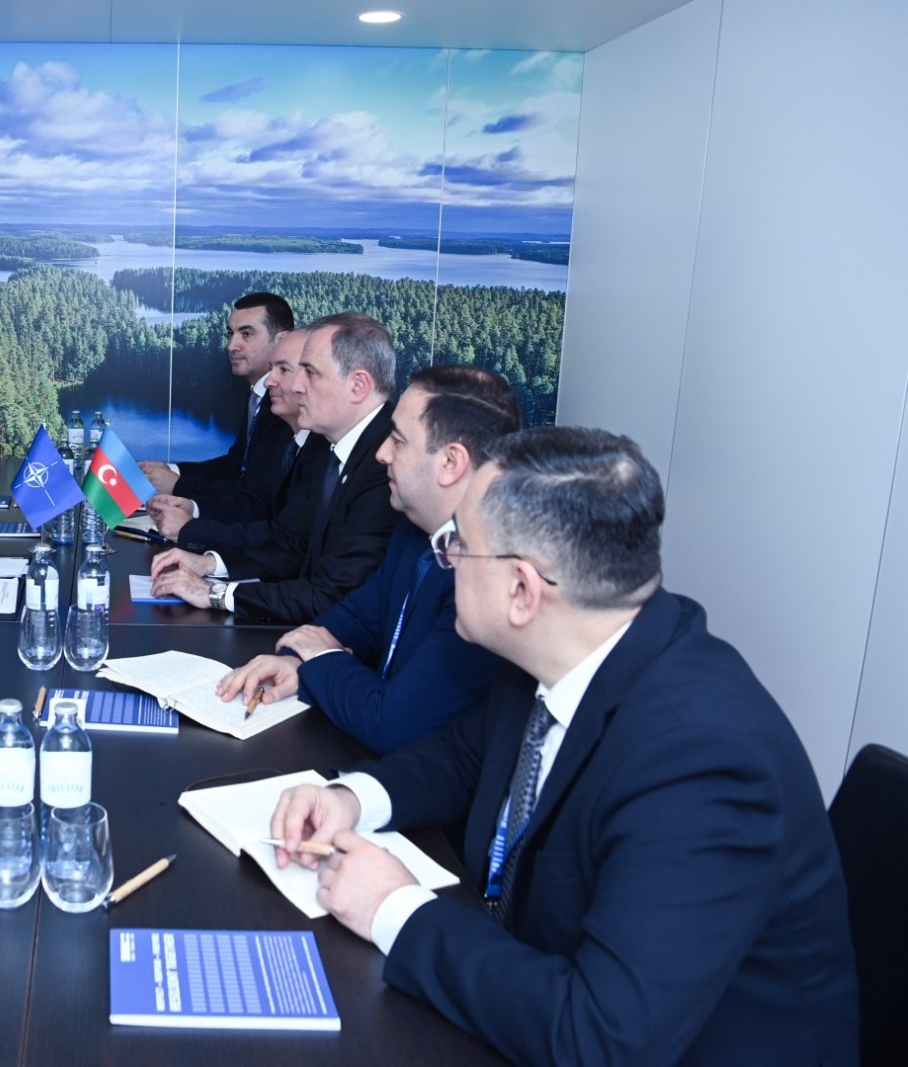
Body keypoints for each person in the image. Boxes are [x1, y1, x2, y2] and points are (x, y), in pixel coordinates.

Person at [270, 427, 858, 1065]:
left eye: (459, 544)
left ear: (522, 591)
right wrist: (353, 798)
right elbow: (465, 756)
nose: (447, 559)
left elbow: (602, 1038)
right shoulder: (572, 641)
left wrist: (394, 908)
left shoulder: (701, 759)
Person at [219, 365, 520, 754]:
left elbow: (392, 724)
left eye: (398, 441)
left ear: (450, 463)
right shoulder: (415, 531)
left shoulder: (484, 573)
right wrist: (297, 662)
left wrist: (322, 660)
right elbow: (359, 617)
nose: (382, 453)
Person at [150, 313, 400, 625]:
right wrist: (210, 564)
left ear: (358, 385)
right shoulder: (333, 445)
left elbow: (332, 594)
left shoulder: (385, 465)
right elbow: (292, 543)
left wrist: (216, 594)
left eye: (310, 373)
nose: (297, 386)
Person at [147, 329, 313, 546]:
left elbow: (278, 531)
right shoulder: (288, 436)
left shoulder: (315, 450)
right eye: (230, 333)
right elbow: (249, 487)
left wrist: (189, 516)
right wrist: (191, 505)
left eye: (247, 334)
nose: (269, 381)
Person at [138, 292, 295, 518]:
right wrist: (171, 470)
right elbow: (235, 465)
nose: (232, 345)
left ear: (282, 340)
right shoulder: (257, 396)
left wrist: (179, 485)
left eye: (247, 334)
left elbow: (256, 496)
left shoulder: (286, 405)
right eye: (230, 334)